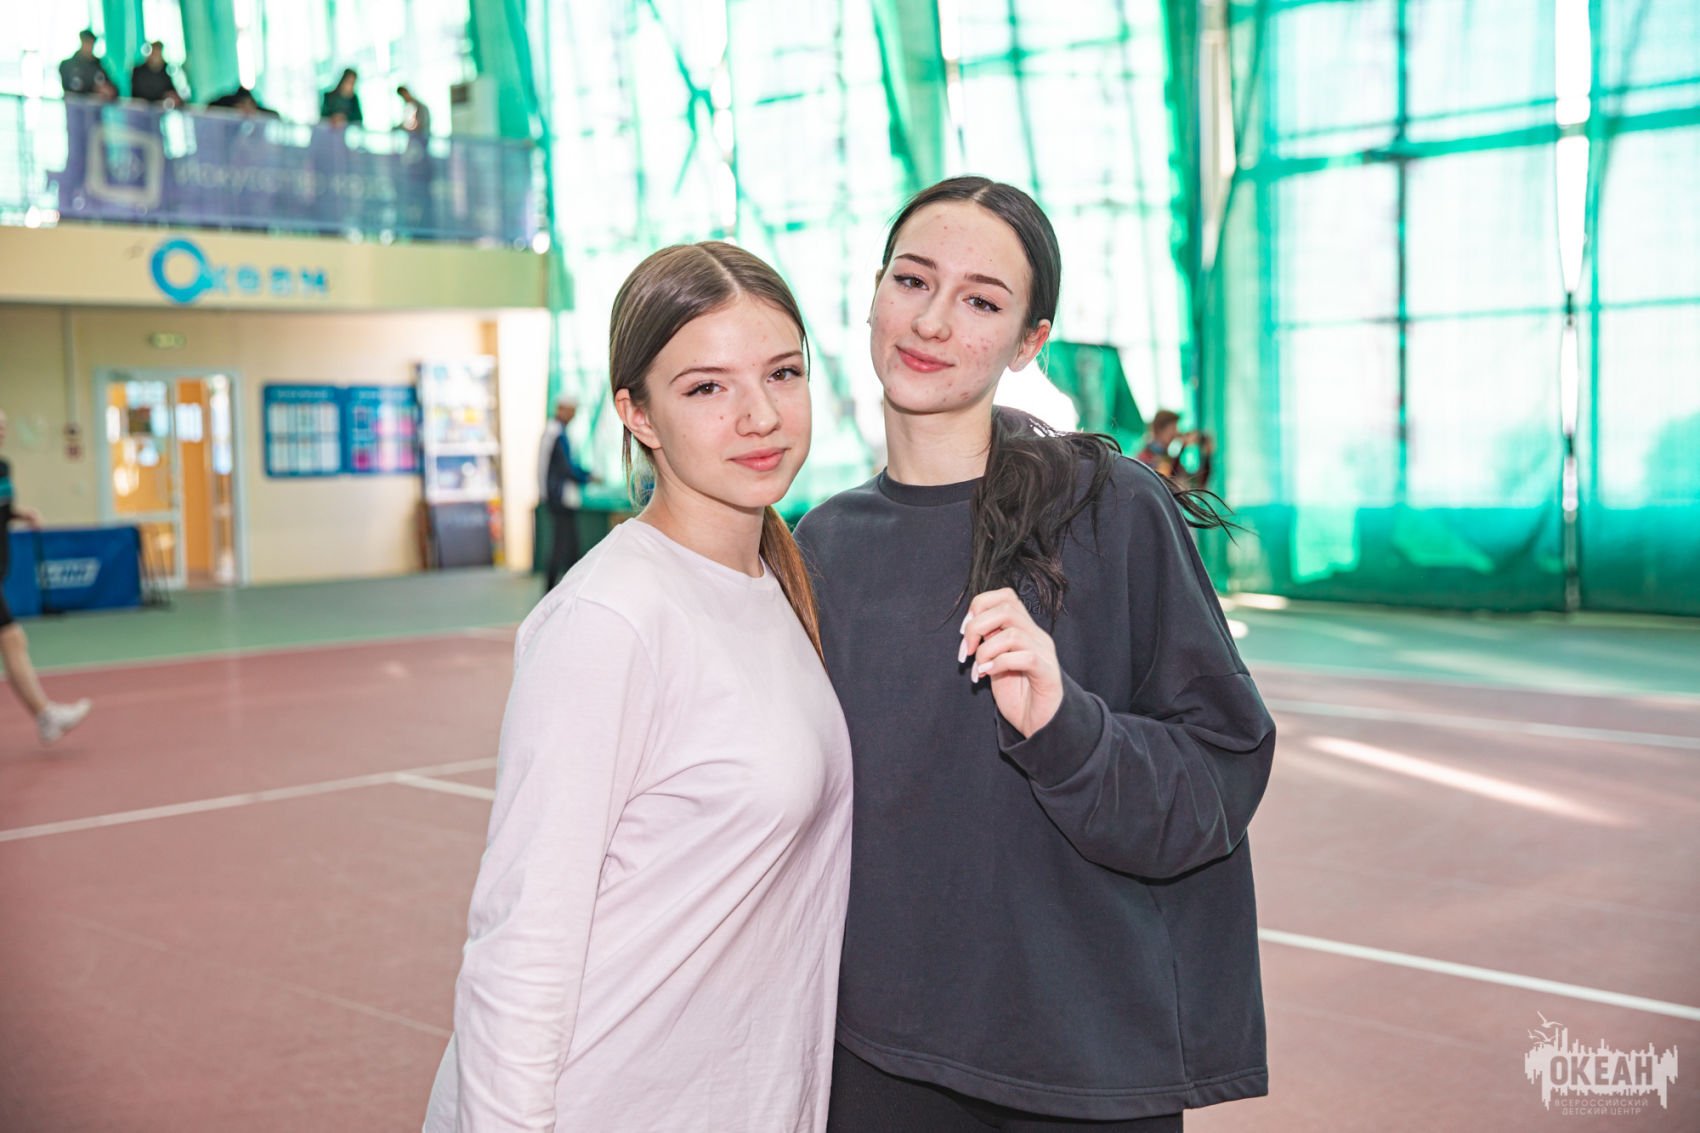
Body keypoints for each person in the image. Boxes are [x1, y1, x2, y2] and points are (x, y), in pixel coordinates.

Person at [795, 177, 1276, 1130]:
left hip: (1082, 1063)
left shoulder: (1109, 511)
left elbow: (1218, 775)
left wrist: (1067, 726)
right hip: (879, 1057)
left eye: (981, 301)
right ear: (873, 293)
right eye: (912, 280)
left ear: (1028, 342)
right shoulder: (822, 545)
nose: (932, 321)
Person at [424, 242, 852, 1132]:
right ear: (638, 413)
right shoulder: (610, 618)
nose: (760, 415)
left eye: (782, 373)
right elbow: (524, 939)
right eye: (707, 387)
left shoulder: (772, 583)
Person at [0, 410, 93, 746]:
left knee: (12, 641)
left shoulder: (3, 467)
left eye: (3, 426)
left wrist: (21, 514)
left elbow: (2, 509)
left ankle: (46, 717)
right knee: (13, 639)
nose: (1, 431)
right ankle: (46, 717)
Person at [537, 394, 594, 593]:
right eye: (572, 411)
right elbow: (566, 467)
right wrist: (587, 477)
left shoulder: (555, 431)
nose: (574, 415)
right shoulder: (556, 433)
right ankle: (552, 591)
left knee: (569, 546)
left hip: (557, 498)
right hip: (559, 499)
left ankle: (567, 589)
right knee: (562, 546)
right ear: (562, 410)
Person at [1137, 408, 1214, 491]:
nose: (1176, 433)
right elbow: (1165, 482)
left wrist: (1207, 456)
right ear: (1160, 430)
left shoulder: (1168, 457)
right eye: (1173, 428)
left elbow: (1196, 484)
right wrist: (1182, 447)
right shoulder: (1146, 458)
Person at [59, 30, 118, 101]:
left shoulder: (97, 65)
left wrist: (108, 90)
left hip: (96, 106)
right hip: (74, 105)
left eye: (92, 43)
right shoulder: (67, 65)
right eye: (87, 42)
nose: (89, 46)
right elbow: (71, 88)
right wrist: (94, 89)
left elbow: (111, 88)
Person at [129, 41, 182, 107]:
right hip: (141, 108)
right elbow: (137, 94)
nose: (155, 56)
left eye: (158, 53)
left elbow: (172, 92)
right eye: (154, 53)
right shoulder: (138, 71)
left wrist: (172, 97)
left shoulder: (167, 70)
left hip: (162, 108)